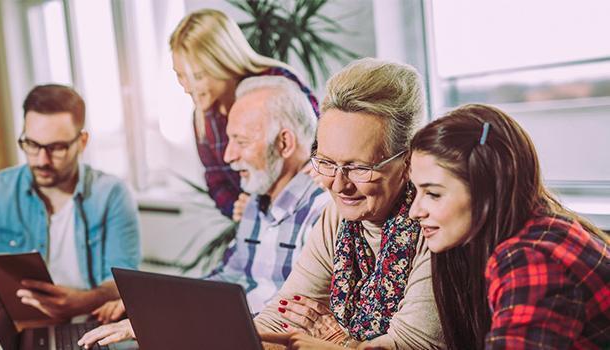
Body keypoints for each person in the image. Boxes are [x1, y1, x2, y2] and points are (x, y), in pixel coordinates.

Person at [78, 76, 331, 349]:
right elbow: (228, 279)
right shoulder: (255, 203)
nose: (228, 156)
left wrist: (167, 322)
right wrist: (154, 307)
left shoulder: (323, 213)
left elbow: (297, 321)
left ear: (284, 144)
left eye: (241, 141)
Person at [256, 58, 446, 350]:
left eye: (359, 168)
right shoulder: (336, 217)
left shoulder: (435, 226)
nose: (338, 184)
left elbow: (410, 347)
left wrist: (339, 342)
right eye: (327, 163)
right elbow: (282, 317)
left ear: (408, 161)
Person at [0, 84, 141, 322]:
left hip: (88, 328)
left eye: (56, 148)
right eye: (32, 145)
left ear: (82, 142)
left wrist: (79, 303)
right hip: (7, 331)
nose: (41, 160)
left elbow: (124, 284)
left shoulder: (112, 195)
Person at [407, 103, 610, 349]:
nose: (414, 212)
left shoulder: (531, 259)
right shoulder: (543, 227)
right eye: (416, 191)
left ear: (486, 191)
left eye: (434, 194)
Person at [170, 8, 319, 221]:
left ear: (223, 60)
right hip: (259, 224)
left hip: (306, 211)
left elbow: (323, 142)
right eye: (180, 75)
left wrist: (320, 169)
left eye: (198, 76)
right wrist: (237, 207)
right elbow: (215, 180)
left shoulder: (278, 84)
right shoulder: (204, 116)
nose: (186, 87)